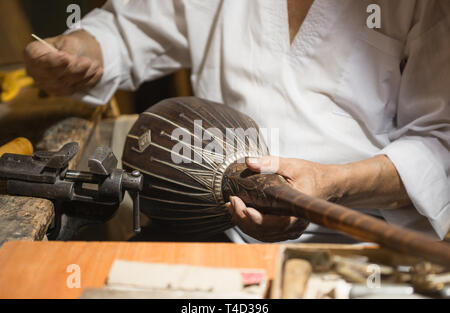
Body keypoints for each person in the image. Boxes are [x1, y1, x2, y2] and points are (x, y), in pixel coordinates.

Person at [23, 0, 450, 243]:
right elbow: (127, 29)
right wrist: (78, 50)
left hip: (362, 247)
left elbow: (440, 141)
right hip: (217, 234)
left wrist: (332, 183)